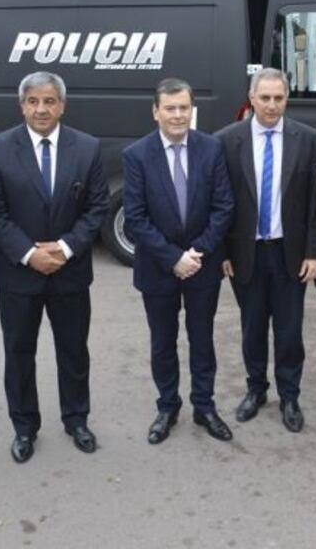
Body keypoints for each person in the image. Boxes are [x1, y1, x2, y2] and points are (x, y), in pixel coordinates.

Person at [0, 72, 109, 461]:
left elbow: (97, 208)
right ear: (22, 106)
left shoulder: (87, 148)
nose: (41, 109)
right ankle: (24, 427)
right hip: (19, 275)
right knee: (19, 353)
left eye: (49, 101)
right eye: (33, 101)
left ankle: (76, 419)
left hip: (71, 273)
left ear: (62, 106)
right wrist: (28, 253)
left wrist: (66, 248)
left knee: (74, 351)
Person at [122, 78, 235, 444]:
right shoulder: (136, 155)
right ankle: (167, 407)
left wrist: (196, 254)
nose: (177, 115)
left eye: (183, 107)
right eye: (169, 108)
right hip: (158, 269)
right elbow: (135, 217)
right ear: (155, 112)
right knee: (163, 342)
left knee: (202, 340)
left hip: (202, 266)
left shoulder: (211, 148)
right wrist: (174, 258)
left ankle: (204, 406)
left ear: (192, 110)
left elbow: (223, 207)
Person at [215, 68, 316, 433]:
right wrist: (222, 253)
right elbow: (220, 202)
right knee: (253, 326)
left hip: (289, 253)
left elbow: (314, 202)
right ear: (252, 98)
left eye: (279, 98)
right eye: (265, 98)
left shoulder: (306, 139)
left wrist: (314, 253)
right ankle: (256, 389)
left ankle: (290, 396)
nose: (272, 105)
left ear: (287, 99)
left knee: (290, 331)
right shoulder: (227, 140)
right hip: (245, 253)